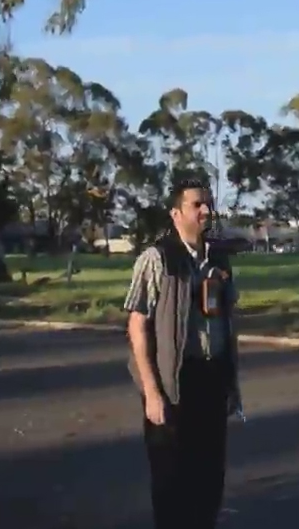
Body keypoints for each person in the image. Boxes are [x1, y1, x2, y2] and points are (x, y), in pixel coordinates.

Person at [124, 176, 243, 529]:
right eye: (197, 204)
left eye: (208, 203)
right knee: (172, 481)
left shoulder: (218, 259)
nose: (206, 210)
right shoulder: (157, 259)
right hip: (174, 382)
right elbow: (137, 325)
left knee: (209, 478)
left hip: (212, 378)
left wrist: (232, 384)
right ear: (176, 213)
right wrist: (152, 392)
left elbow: (228, 320)